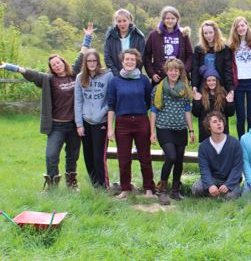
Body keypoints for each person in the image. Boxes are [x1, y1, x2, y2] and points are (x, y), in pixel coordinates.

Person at [1, 26, 93, 190]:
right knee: (51, 156)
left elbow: (82, 53)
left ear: (63, 62)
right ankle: (52, 186)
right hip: (56, 126)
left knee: (72, 156)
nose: (57, 66)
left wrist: (87, 37)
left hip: (74, 125)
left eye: (58, 62)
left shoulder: (74, 74)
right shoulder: (48, 80)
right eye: (53, 65)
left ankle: (72, 184)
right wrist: (10, 66)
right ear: (52, 68)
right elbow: (30, 73)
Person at [107, 49, 154, 200]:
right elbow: (111, 105)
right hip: (122, 124)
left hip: (141, 121)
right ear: (122, 61)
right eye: (127, 59)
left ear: (136, 62)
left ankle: (148, 189)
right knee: (124, 158)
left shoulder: (144, 80)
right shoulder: (115, 81)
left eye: (132, 60)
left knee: (145, 157)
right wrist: (110, 129)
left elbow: (148, 101)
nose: (129, 62)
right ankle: (125, 189)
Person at [150, 58, 195, 205]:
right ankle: (161, 189)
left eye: (176, 70)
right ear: (166, 71)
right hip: (164, 128)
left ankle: (175, 190)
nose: (173, 72)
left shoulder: (185, 89)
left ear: (180, 71)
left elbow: (187, 110)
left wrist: (191, 130)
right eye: (170, 70)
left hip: (180, 128)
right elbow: (154, 111)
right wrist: (152, 132)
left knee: (179, 160)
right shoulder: (159, 88)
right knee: (171, 156)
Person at [74, 48, 113, 189]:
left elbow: (111, 99)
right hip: (85, 121)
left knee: (98, 156)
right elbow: (78, 101)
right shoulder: (80, 77)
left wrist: (101, 112)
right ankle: (94, 184)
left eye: (94, 60)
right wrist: (79, 124)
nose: (91, 63)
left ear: (98, 61)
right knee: (88, 155)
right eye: (89, 61)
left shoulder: (107, 76)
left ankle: (104, 185)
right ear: (85, 62)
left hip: (101, 121)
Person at [191, 112, 243, 200]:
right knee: (196, 189)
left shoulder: (235, 143)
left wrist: (228, 185)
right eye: (215, 122)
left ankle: (218, 195)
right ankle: (213, 194)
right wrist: (210, 185)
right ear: (209, 127)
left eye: (220, 121)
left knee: (231, 197)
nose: (219, 123)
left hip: (229, 179)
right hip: (213, 178)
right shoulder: (203, 146)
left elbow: (237, 167)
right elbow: (204, 169)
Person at [227, 16, 251, 138]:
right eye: (238, 26)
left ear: (247, 26)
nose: (241, 28)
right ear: (235, 29)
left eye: (242, 25)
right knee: (240, 115)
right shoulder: (231, 45)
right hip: (238, 82)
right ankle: (242, 140)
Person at [144, 6, 193, 84]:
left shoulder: (183, 34)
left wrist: (185, 71)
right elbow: (147, 56)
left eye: (173, 18)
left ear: (177, 19)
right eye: (167, 18)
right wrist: (152, 73)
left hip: (179, 76)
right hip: (160, 76)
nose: (170, 21)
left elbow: (190, 55)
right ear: (163, 19)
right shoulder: (154, 34)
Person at [192, 66, 235, 142]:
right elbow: (196, 114)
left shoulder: (223, 93)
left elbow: (230, 113)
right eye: (209, 80)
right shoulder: (201, 94)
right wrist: (197, 101)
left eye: (213, 80)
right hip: (205, 131)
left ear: (217, 81)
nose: (211, 83)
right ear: (205, 82)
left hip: (221, 130)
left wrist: (230, 102)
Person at [191, 19, 233, 92]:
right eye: (205, 33)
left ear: (215, 32)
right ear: (202, 34)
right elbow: (195, 69)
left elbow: (227, 70)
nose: (208, 35)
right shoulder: (198, 49)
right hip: (204, 85)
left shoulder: (224, 48)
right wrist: (194, 85)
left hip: (220, 85)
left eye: (211, 32)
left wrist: (230, 88)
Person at [104, 9, 145, 77]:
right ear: (116, 22)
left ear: (130, 21)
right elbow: (107, 58)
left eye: (124, 21)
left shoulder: (139, 36)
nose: (122, 24)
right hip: (115, 76)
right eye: (119, 21)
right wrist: (117, 74)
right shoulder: (110, 36)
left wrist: (132, 73)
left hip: (134, 75)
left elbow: (142, 57)